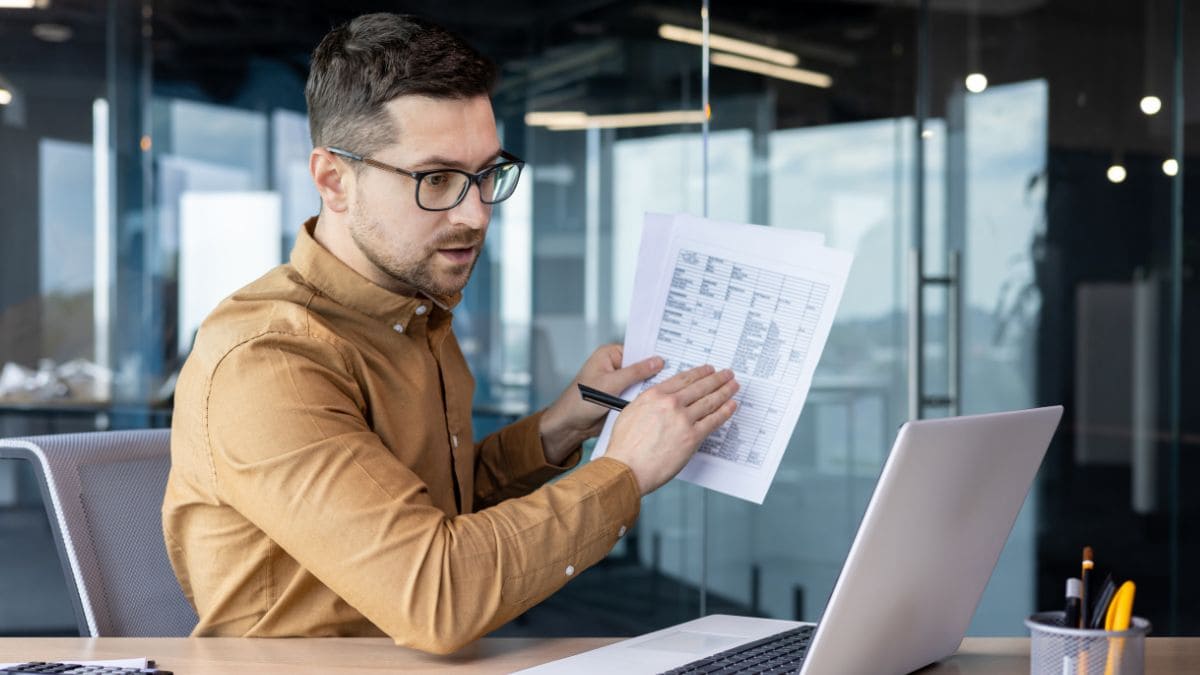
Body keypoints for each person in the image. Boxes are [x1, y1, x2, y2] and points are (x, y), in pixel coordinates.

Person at [161, 12, 739, 655]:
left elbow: (434, 501)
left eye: (488, 174)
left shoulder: (414, 309)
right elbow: (441, 595)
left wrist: (564, 424)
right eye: (436, 179)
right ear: (333, 180)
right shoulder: (269, 362)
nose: (475, 213)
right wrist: (623, 469)